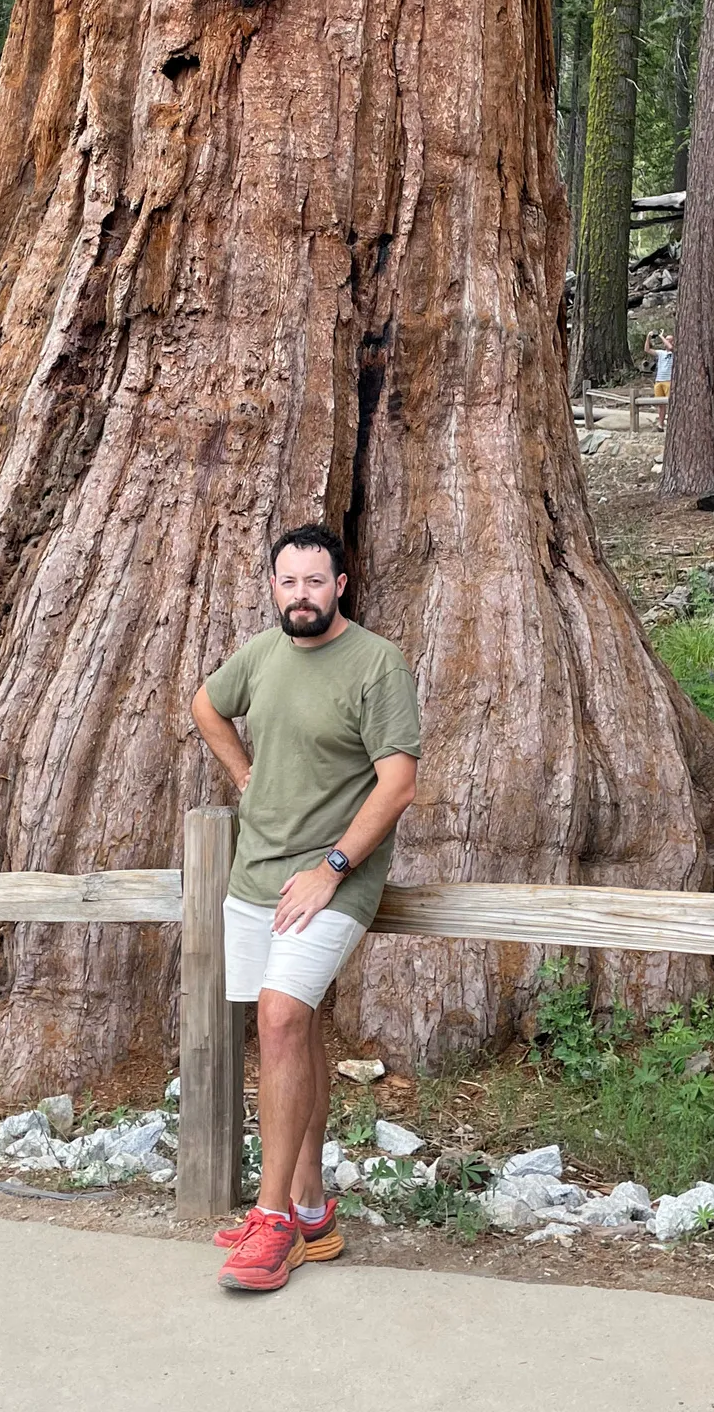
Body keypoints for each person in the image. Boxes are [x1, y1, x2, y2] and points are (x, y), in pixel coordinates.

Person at [191, 524, 421, 1294]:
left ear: (342, 585)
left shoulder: (377, 664)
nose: (301, 595)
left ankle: (273, 1221)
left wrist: (332, 868)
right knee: (296, 1033)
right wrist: (245, 775)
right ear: (273, 588)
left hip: (333, 878)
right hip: (257, 874)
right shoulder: (260, 655)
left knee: (282, 1019)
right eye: (288, 582)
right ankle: (313, 1209)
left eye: (315, 582)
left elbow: (397, 785)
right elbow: (205, 705)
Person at [648, 329, 675, 429]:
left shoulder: (674, 352)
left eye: (670, 340)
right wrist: (648, 337)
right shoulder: (661, 353)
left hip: (669, 380)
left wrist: (661, 336)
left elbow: (671, 347)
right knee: (660, 404)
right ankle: (661, 424)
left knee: (670, 403)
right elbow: (647, 349)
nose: (667, 342)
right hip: (659, 380)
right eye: (667, 340)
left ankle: (672, 423)